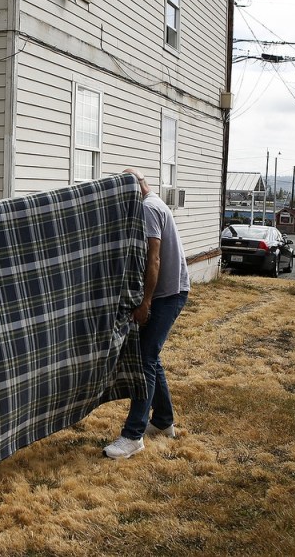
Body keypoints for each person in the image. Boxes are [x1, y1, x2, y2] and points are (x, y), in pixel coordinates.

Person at [104, 168, 190, 460]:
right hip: (167, 292)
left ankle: (133, 435)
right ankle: (164, 421)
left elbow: (153, 259)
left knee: (144, 361)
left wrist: (145, 303)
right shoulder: (152, 204)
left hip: (168, 295)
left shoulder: (148, 208)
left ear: (134, 188)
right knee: (151, 358)